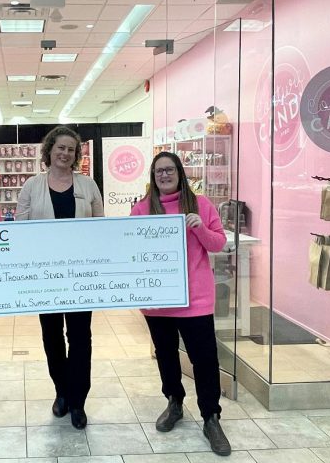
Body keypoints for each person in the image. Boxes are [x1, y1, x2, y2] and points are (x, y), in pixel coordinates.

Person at [130, 151, 231, 456]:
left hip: (195, 299)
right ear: (153, 176)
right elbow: (131, 249)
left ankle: (211, 416)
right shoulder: (142, 209)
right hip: (158, 300)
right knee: (166, 354)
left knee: (204, 359)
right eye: (159, 171)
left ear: (180, 173)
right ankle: (174, 402)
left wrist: (200, 226)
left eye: (169, 170)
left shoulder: (201, 205)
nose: (164, 175)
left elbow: (218, 244)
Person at [16, 126, 104, 429]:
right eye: (60, 148)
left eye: (70, 149)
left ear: (76, 154)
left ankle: (78, 400)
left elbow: (99, 230)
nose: (65, 153)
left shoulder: (89, 185)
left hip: (81, 276)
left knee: (81, 337)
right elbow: (20, 232)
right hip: (46, 278)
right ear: (49, 151)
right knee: (51, 336)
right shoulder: (31, 186)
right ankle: (61, 392)